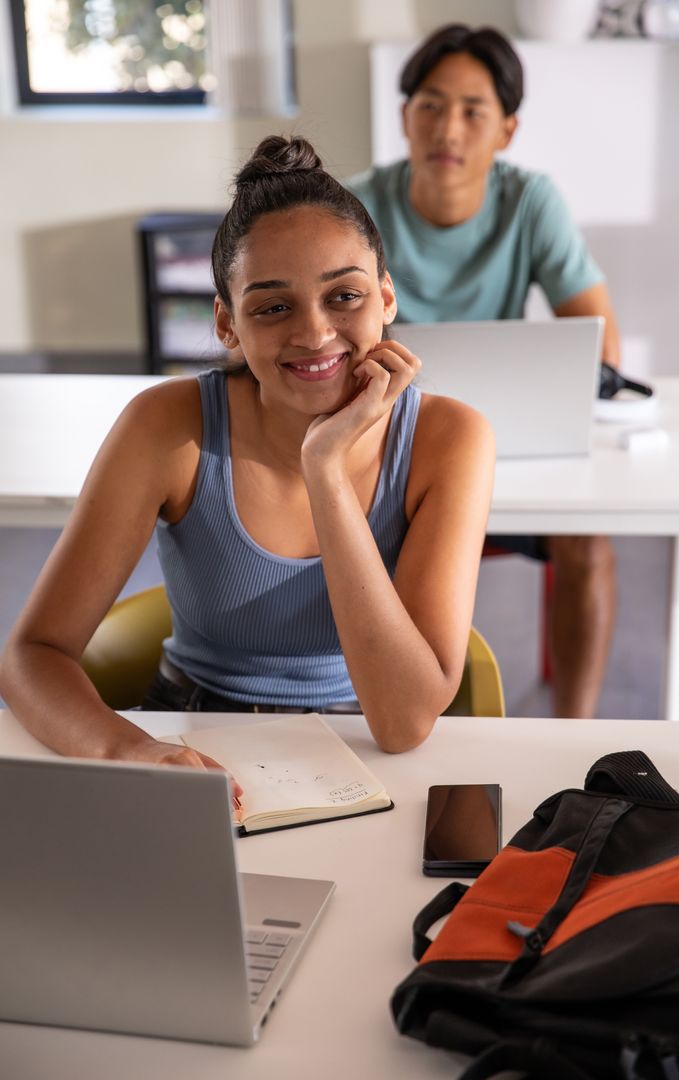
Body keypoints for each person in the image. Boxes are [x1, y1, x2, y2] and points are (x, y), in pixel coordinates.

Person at [0, 135, 495, 799]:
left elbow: (403, 721)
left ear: (385, 298)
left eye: (343, 297)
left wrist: (323, 467)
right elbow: (32, 656)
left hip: (369, 743)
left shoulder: (450, 437)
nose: (315, 333)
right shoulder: (166, 426)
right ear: (228, 325)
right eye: (272, 306)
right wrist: (130, 750)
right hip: (195, 738)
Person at [346, 24, 620, 719]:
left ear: (507, 129)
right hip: (383, 441)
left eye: (474, 110)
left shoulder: (530, 201)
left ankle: (575, 728)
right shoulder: (352, 208)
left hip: (504, 443)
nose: (449, 128)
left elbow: (599, 338)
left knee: (589, 538)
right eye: (431, 105)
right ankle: (364, 700)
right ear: (405, 116)